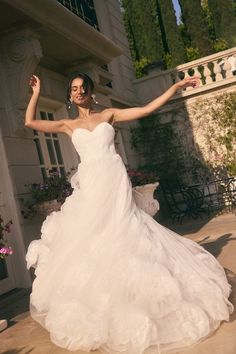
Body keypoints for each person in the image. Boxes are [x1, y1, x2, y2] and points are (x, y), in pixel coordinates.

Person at [25, 72, 233, 354]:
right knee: (96, 240)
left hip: (113, 179)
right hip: (92, 185)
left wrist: (176, 86)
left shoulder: (109, 114)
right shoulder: (67, 124)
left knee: (127, 230)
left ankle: (143, 297)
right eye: (73, 89)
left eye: (82, 87)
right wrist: (36, 93)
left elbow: (146, 109)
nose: (78, 92)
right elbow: (30, 122)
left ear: (89, 90)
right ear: (70, 94)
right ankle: (106, 305)